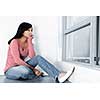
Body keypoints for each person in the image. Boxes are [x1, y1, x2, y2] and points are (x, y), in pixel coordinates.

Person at [4, 22, 75, 83]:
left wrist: (30, 41)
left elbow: (32, 57)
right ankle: (34, 74)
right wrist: (33, 69)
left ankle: (58, 75)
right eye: (28, 30)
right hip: (11, 69)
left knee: (38, 58)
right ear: (22, 31)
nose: (31, 32)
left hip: (23, 66)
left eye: (31, 30)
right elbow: (17, 60)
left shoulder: (29, 43)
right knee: (25, 71)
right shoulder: (14, 42)